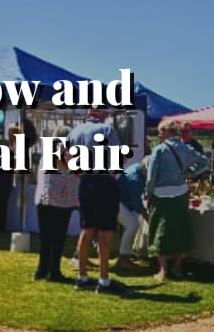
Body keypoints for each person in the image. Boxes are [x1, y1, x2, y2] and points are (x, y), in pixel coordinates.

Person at [67, 110, 127, 294]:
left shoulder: (75, 131)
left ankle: (82, 277)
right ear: (100, 113)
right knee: (105, 232)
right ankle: (103, 280)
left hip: (86, 182)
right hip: (104, 181)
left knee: (86, 229)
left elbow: (68, 160)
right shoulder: (107, 129)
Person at [146, 120, 209, 282]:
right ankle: (178, 267)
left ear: (167, 131)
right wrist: (189, 173)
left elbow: (151, 176)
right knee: (180, 229)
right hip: (181, 193)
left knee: (160, 231)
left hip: (161, 194)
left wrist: (147, 194)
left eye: (160, 131)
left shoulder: (159, 150)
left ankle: (162, 270)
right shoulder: (186, 148)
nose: (158, 134)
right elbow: (204, 162)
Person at [34, 126, 79, 283]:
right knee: (58, 237)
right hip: (60, 200)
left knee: (45, 237)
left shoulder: (46, 153)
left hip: (42, 199)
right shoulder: (67, 153)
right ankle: (54, 271)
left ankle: (42, 269)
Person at [115, 156, 148, 270]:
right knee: (133, 225)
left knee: (132, 224)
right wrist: (148, 219)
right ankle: (123, 258)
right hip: (117, 202)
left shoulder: (137, 167)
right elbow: (138, 205)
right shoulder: (134, 179)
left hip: (121, 201)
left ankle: (126, 256)